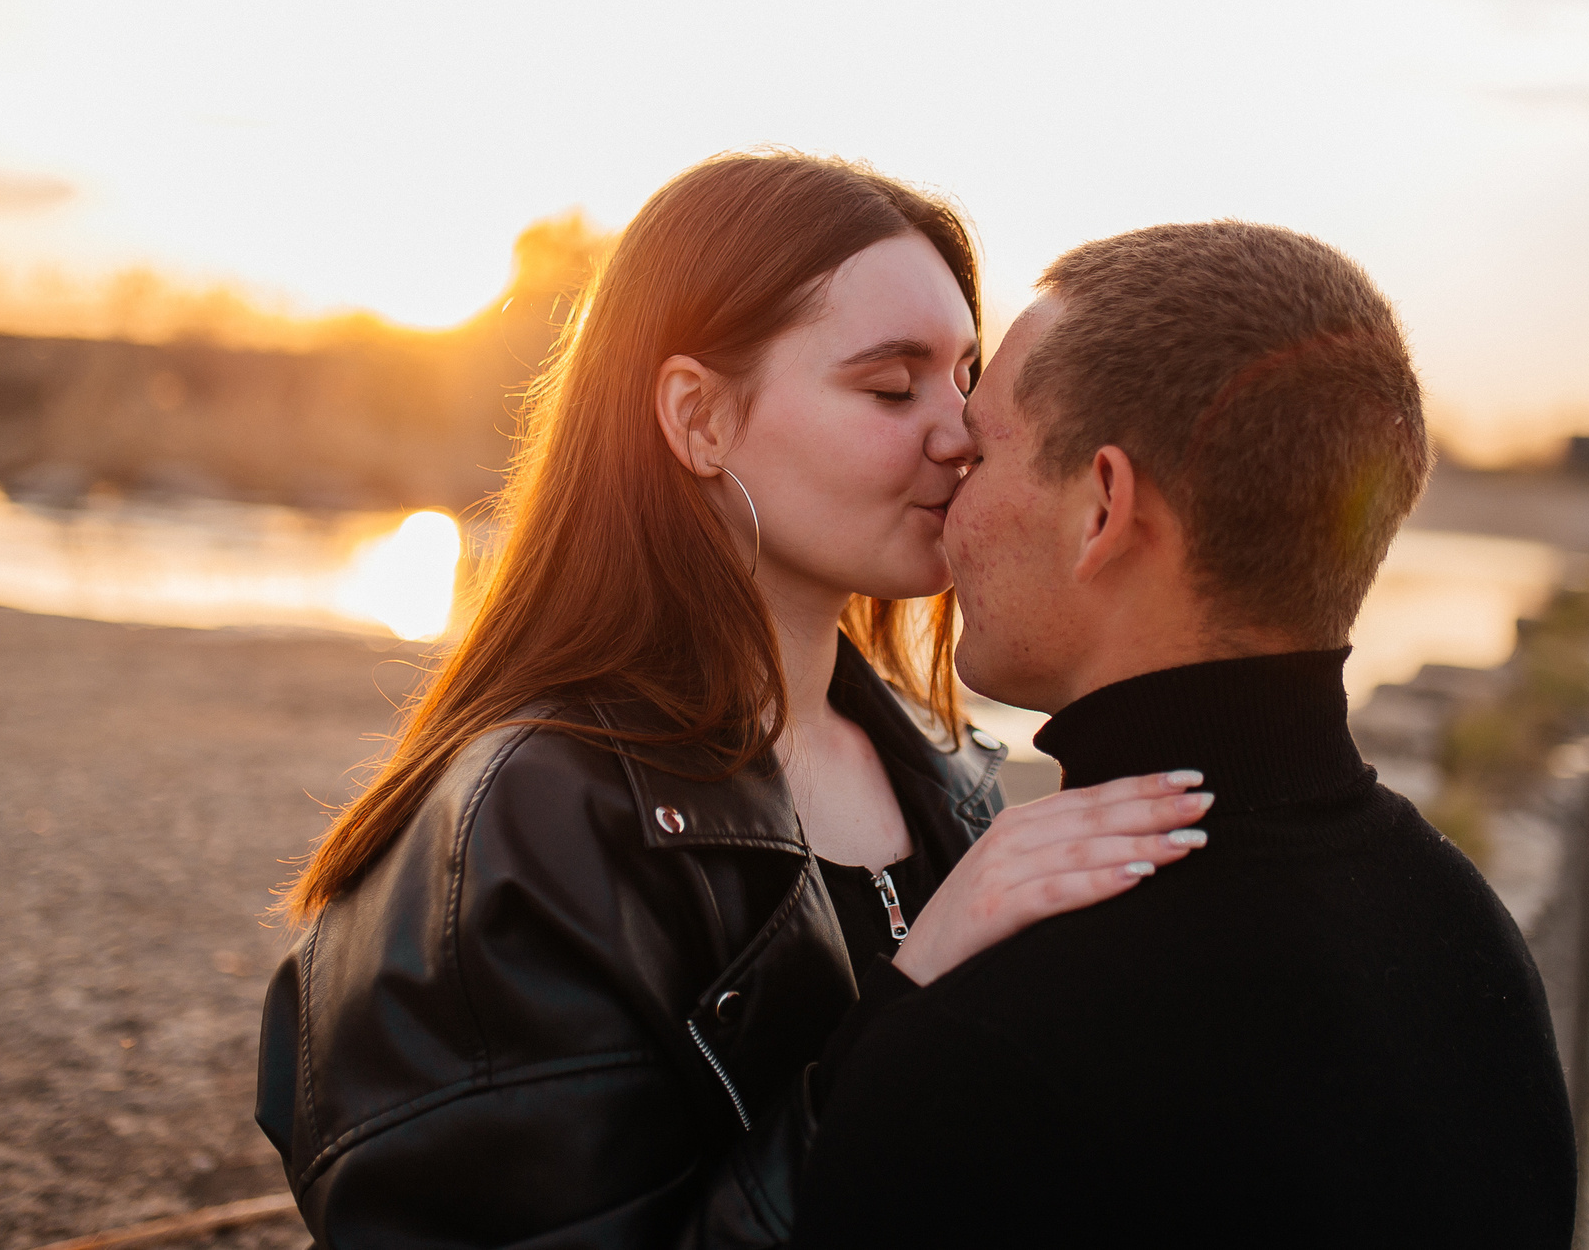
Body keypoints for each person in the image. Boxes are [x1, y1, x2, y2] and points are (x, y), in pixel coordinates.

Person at [255, 152, 1208, 1249]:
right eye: (892, 387)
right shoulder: (527, 828)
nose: (959, 435)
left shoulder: (947, 777)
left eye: (964, 381)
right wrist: (921, 993)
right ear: (698, 418)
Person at [792, 222, 1580, 1248]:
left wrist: (883, 1041)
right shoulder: (1470, 943)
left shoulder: (992, 1039)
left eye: (980, 452)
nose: (949, 497)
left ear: (1102, 509)